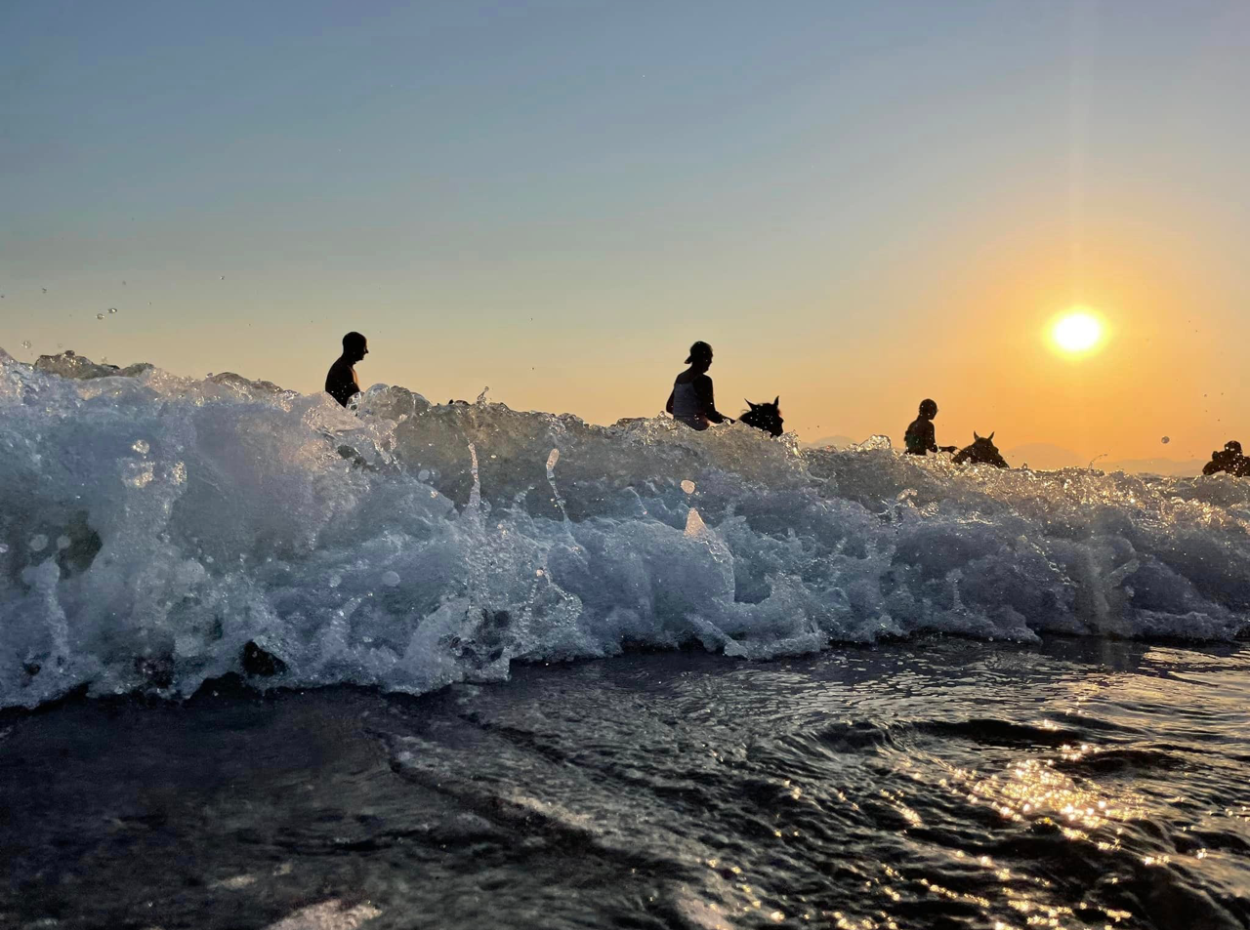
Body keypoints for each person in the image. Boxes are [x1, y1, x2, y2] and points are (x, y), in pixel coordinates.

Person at [666, 341, 730, 431]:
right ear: (702, 359)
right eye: (709, 358)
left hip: (678, 432)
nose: (711, 362)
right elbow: (711, 414)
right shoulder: (704, 380)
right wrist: (737, 424)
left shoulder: (680, 378)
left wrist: (684, 417)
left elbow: (669, 407)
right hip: (697, 433)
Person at [325, 332, 368, 407]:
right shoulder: (343, 370)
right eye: (364, 347)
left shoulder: (345, 368)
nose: (366, 351)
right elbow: (353, 402)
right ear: (355, 348)